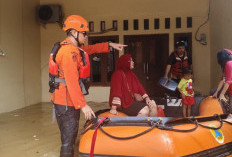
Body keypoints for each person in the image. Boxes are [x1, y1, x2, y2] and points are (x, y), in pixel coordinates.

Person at [50, 15, 127, 157]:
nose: (86, 36)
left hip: (68, 101)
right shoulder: (68, 53)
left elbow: (90, 49)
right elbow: (72, 82)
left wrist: (110, 45)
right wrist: (83, 105)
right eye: (84, 33)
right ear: (74, 33)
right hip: (66, 102)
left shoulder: (74, 49)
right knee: (68, 140)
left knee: (71, 136)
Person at [213, 49, 232, 113]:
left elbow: (228, 81)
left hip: (230, 87)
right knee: (213, 92)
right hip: (230, 88)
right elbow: (222, 80)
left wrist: (222, 94)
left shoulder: (229, 63)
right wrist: (217, 92)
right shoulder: (225, 65)